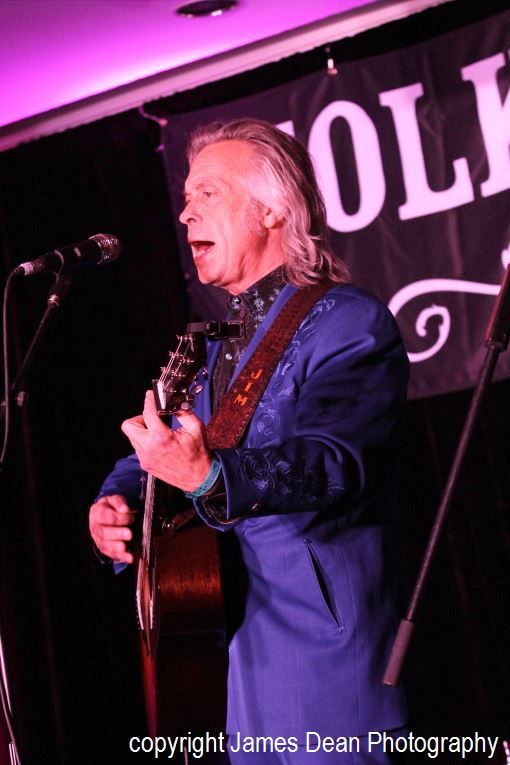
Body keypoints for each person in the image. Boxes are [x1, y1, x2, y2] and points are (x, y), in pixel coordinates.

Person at [89, 119, 409, 763]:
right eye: (186, 197)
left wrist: (208, 475)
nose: (185, 214)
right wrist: (114, 503)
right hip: (237, 645)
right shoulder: (216, 348)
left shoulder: (347, 321)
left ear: (272, 210)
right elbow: (155, 450)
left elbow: (333, 463)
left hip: (324, 640)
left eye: (207, 193)